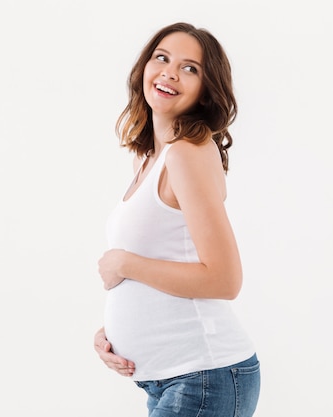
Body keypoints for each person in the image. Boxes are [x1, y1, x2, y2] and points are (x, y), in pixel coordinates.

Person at [92, 22, 260, 417]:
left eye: (190, 68)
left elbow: (224, 279)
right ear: (144, 69)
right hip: (173, 380)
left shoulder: (188, 153)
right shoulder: (149, 159)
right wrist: (114, 333)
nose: (169, 71)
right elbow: (170, 260)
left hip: (204, 377)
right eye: (162, 58)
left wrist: (124, 263)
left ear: (206, 89)